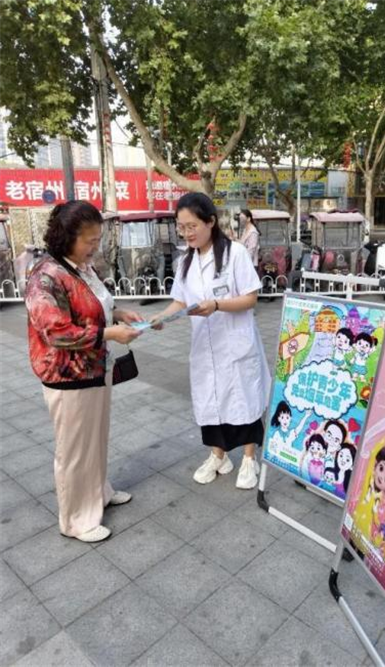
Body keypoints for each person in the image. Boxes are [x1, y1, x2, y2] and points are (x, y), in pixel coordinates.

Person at [25, 201, 143, 543]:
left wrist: (118, 314)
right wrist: (109, 333)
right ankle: (75, 520)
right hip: (68, 376)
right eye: (90, 240)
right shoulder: (46, 275)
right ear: (67, 237)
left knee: (96, 439)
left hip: (95, 368)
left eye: (97, 239)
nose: (95, 246)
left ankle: (99, 493)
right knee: (74, 450)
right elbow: (57, 332)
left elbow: (94, 306)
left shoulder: (81, 267)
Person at [151, 193, 271, 490]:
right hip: (205, 347)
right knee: (211, 403)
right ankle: (219, 456)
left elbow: (250, 298)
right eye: (181, 227)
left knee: (244, 399)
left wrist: (217, 305)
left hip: (236, 344)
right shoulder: (185, 261)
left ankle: (249, 458)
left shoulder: (235, 253)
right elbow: (180, 301)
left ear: (210, 222)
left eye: (192, 226)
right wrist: (160, 318)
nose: (186, 233)